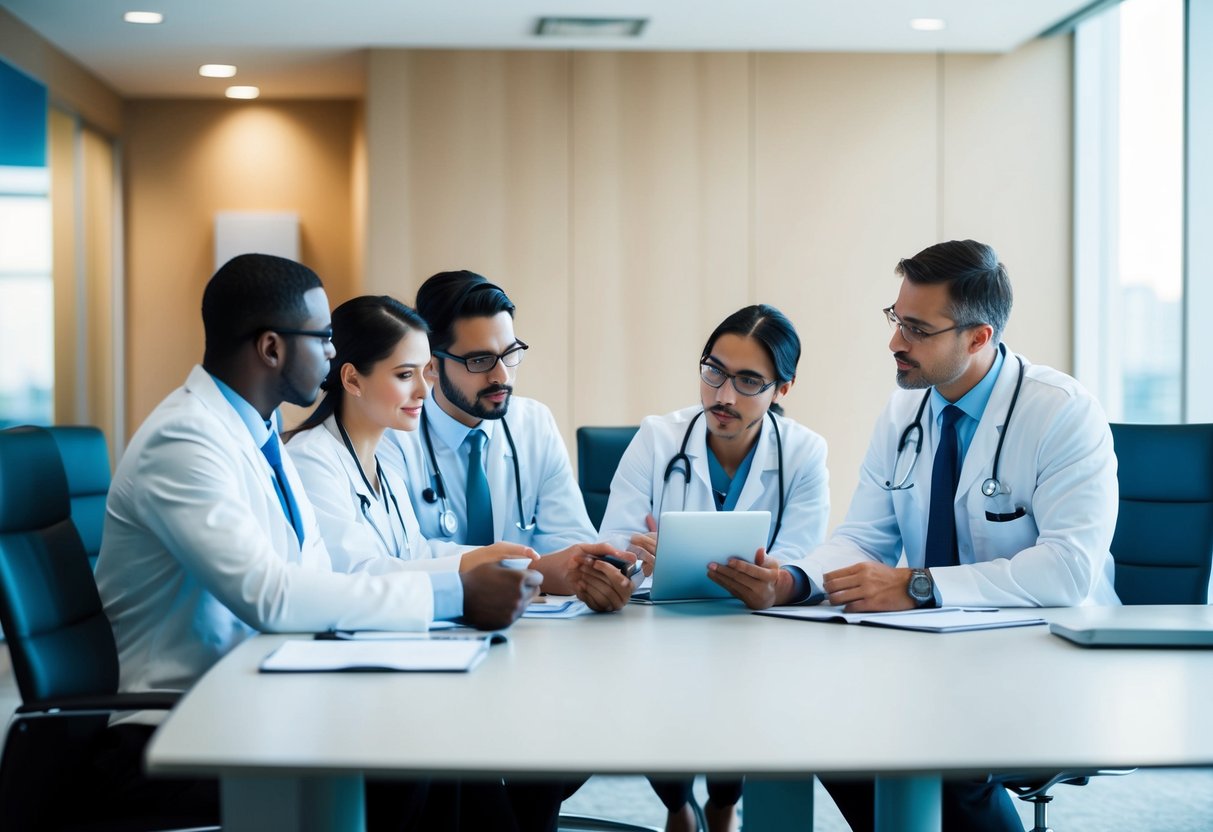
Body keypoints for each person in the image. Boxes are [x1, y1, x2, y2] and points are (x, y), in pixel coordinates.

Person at [95, 254, 540, 831]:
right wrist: (454, 595)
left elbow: (318, 571)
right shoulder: (184, 440)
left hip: (263, 691)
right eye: (323, 338)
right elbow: (271, 597)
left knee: (442, 746)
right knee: (414, 759)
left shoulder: (259, 433)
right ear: (272, 348)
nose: (334, 354)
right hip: (176, 727)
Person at [716, 240, 1119, 832]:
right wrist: (793, 580)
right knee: (818, 717)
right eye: (894, 319)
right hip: (933, 655)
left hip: (1040, 651)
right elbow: (864, 538)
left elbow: (1068, 570)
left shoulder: (1060, 413)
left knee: (932, 744)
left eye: (917, 329)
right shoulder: (904, 411)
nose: (894, 342)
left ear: (977, 338)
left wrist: (920, 586)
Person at [590, 304, 829, 832]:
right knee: (659, 692)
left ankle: (723, 801)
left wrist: (774, 579)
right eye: (714, 371)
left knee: (744, 693)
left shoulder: (805, 454)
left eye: (748, 381)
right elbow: (613, 544)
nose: (723, 395)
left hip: (755, 634)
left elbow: (801, 561)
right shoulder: (658, 438)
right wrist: (637, 564)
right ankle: (678, 803)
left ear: (781, 389)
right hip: (659, 625)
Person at [381, 269, 633, 606]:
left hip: (529, 627)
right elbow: (400, 556)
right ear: (431, 365)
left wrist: (590, 573)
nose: (501, 376)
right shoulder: (392, 435)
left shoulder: (534, 423)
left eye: (510, 354)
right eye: (480, 360)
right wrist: (536, 566)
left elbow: (571, 541)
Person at [284, 294, 536, 576]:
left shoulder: (384, 471)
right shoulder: (309, 460)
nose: (424, 391)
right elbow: (357, 573)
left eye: (424, 371)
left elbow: (417, 554)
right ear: (353, 379)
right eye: (405, 375)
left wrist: (497, 557)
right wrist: (473, 565)